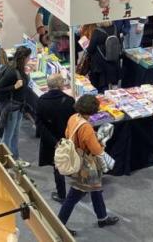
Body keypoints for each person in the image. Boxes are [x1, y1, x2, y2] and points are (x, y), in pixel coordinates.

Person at [58, 95, 119, 234]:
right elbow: (96, 150)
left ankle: (102, 217)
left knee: (96, 189)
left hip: (76, 159)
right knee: (74, 196)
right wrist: (101, 143)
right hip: (86, 165)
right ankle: (59, 225)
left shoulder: (73, 118)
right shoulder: (86, 127)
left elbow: (68, 134)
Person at [36, 74, 76, 204]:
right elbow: (73, 121)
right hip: (66, 139)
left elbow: (39, 124)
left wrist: (53, 141)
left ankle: (61, 194)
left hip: (50, 141)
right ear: (61, 85)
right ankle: (75, 190)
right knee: (68, 162)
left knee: (57, 166)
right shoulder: (69, 101)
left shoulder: (41, 101)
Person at [0, 46, 31, 166]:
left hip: (18, 107)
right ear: (23, 58)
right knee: (8, 136)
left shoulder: (17, 68)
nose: (29, 60)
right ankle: (5, 161)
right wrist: (14, 87)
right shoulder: (11, 71)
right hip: (12, 107)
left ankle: (15, 158)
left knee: (15, 134)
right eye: (28, 57)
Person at [86, 20, 121, 93]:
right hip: (113, 60)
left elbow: (90, 49)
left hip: (100, 63)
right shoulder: (115, 28)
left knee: (102, 84)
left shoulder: (97, 31)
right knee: (113, 82)